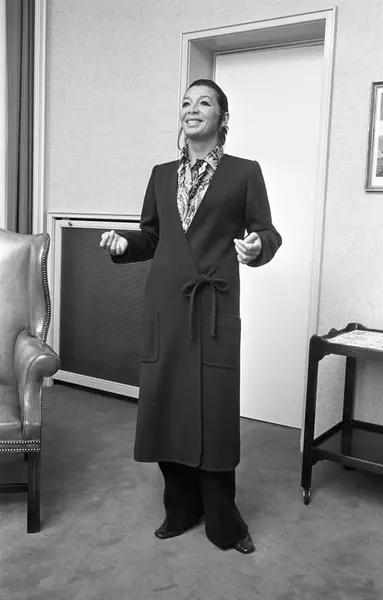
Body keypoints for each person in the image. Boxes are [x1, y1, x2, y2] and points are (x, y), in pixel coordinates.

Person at [100, 79, 282, 554]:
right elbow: (151, 236)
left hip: (214, 309)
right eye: (186, 102)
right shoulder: (161, 175)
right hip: (165, 306)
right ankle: (180, 508)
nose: (192, 109)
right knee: (167, 406)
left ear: (223, 118)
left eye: (204, 102)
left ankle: (224, 520)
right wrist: (123, 243)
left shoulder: (244, 172)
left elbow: (267, 231)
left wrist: (258, 246)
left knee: (214, 413)